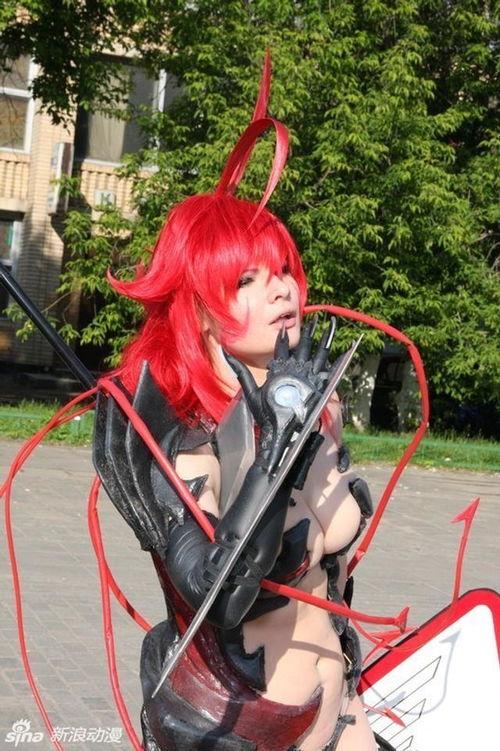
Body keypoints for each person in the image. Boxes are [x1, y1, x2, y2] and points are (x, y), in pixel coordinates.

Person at [93, 58, 386, 751]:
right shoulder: (187, 439)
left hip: (342, 709)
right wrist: (271, 460)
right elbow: (216, 594)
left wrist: (296, 425)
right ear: (198, 308)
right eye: (246, 279)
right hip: (247, 729)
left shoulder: (315, 406)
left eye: (282, 270)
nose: (282, 289)